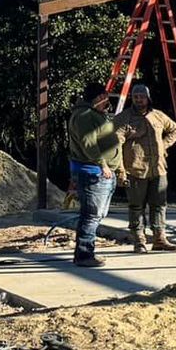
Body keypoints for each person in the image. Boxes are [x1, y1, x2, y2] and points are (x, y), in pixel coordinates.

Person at [119, 82, 176, 252]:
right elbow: (115, 142)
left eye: (142, 96)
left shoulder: (158, 116)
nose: (139, 99)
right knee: (136, 205)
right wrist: (120, 169)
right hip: (135, 169)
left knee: (159, 204)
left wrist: (163, 144)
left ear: (148, 98)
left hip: (159, 168)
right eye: (135, 96)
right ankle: (139, 239)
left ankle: (159, 238)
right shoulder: (123, 118)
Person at [66, 80, 122, 267]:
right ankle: (84, 254)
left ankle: (86, 252)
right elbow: (88, 143)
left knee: (96, 214)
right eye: (105, 97)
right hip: (93, 172)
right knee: (91, 215)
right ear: (99, 97)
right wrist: (103, 164)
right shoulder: (84, 116)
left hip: (101, 171)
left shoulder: (95, 114)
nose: (107, 101)